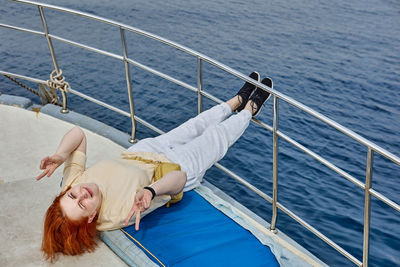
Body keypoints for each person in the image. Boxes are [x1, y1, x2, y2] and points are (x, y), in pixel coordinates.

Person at [37, 72, 273, 261]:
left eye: (71, 195)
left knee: (195, 124)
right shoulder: (120, 213)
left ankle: (235, 102)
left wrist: (60, 155)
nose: (81, 194)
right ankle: (249, 109)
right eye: (82, 204)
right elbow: (179, 179)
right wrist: (151, 191)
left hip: (144, 151)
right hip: (173, 167)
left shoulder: (72, 184)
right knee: (217, 138)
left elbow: (78, 134)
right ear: (91, 219)